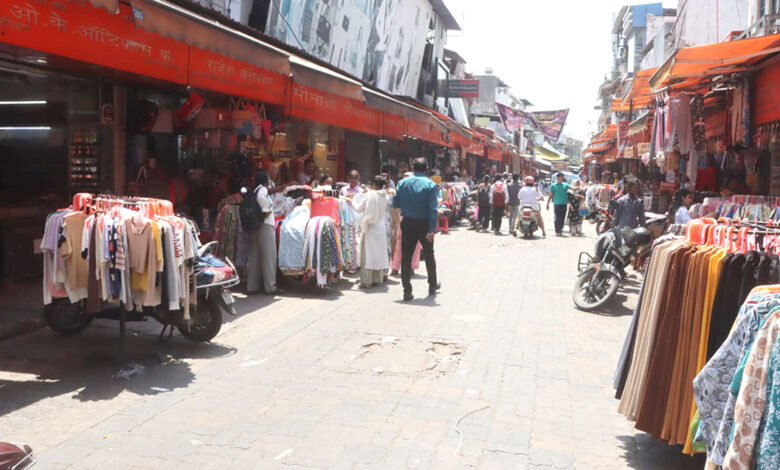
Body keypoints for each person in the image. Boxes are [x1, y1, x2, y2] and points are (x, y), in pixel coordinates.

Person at [393, 158, 440, 302]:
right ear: (426, 168)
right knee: (429, 255)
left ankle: (407, 291)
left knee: (406, 256)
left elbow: (396, 203)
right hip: (425, 224)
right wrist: (432, 230)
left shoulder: (402, 183)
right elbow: (433, 209)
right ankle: (432, 284)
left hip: (407, 223)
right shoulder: (431, 184)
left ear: (412, 167)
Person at [246, 171, 282, 295]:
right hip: (265, 225)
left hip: (255, 226)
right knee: (269, 257)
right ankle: (270, 287)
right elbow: (261, 198)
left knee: (254, 257)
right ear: (266, 181)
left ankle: (252, 286)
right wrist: (266, 210)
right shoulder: (262, 189)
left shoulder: (254, 189)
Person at [352, 175, 390, 288]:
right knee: (377, 254)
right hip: (380, 227)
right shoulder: (385, 196)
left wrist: (350, 201)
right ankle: (376, 279)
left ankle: (366, 281)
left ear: (373, 185)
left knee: (367, 254)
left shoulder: (370, 195)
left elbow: (359, 209)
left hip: (370, 227)